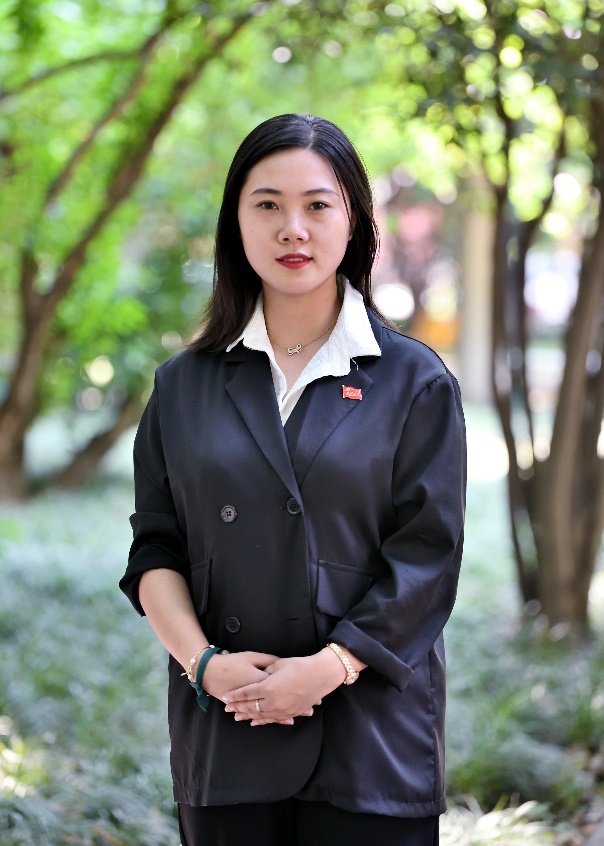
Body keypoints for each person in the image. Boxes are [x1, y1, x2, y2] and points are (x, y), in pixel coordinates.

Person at [119, 113, 466, 846]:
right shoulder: (183, 385)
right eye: (268, 205)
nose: (293, 229)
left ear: (354, 222)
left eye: (317, 205)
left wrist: (330, 667)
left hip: (372, 738)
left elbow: (427, 560)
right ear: (236, 223)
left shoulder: (415, 381)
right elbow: (155, 550)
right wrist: (204, 665)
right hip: (228, 731)